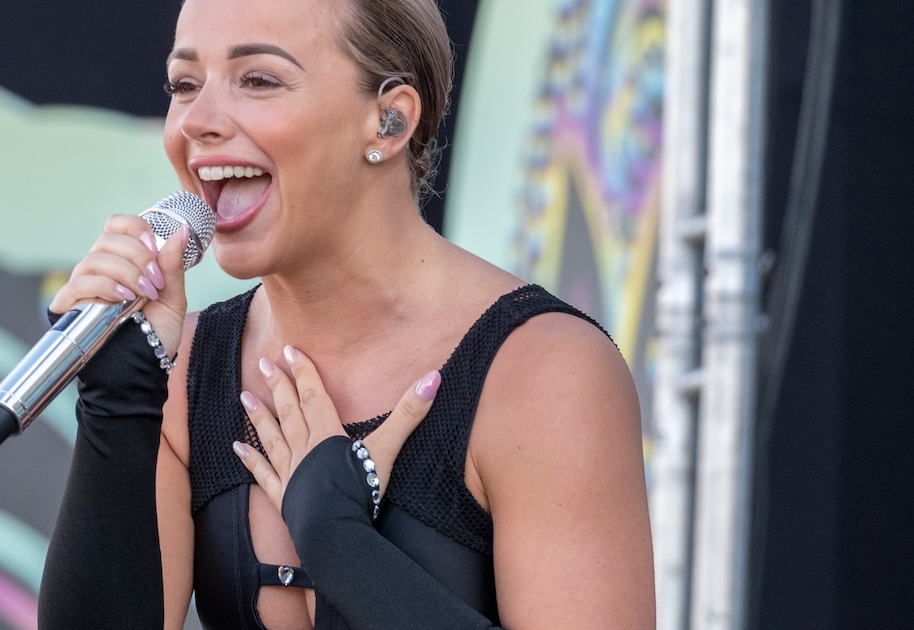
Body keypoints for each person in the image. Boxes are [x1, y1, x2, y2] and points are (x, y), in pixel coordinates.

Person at [38, 0, 655, 627]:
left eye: (258, 79)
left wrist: (340, 544)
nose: (196, 121)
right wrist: (118, 404)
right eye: (184, 84)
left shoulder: (545, 373)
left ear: (389, 121)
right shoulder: (185, 374)